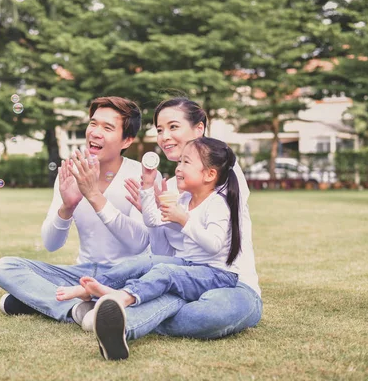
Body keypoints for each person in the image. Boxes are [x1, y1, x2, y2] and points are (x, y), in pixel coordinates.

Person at [68, 97, 262, 360]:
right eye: (159, 129)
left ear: (199, 129)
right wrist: (147, 206)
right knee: (154, 268)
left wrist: (181, 218)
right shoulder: (173, 186)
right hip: (184, 277)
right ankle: (114, 311)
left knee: (209, 314)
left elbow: (214, 242)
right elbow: (163, 252)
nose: (164, 136)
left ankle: (109, 312)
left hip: (231, 283)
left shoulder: (224, 171)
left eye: (173, 127)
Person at [0, 96, 160, 324]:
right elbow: (51, 244)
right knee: (6, 267)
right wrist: (67, 207)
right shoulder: (71, 174)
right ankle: (77, 309)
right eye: (93, 123)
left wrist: (94, 196)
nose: (95, 132)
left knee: (15, 298)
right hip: (83, 274)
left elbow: (139, 243)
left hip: (128, 275)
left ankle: (39, 300)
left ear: (127, 140)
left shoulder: (143, 176)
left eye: (107, 127)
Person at [57, 137, 242, 316]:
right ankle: (88, 289)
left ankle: (124, 297)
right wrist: (147, 184)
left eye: (186, 162)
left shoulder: (217, 203)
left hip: (217, 275)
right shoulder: (185, 200)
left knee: (165, 272)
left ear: (210, 174)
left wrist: (184, 220)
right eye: (179, 162)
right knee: (144, 261)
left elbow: (214, 245)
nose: (178, 168)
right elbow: (153, 221)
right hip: (189, 265)